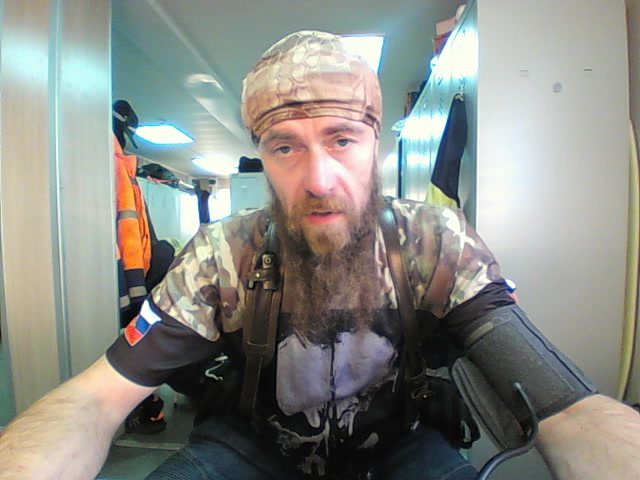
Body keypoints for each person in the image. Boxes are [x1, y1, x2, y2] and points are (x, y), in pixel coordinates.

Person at [1, 30, 640, 480]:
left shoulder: (436, 241)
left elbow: (569, 409)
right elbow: (94, 399)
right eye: (285, 147)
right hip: (253, 447)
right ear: (263, 157)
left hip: (399, 447)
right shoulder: (222, 254)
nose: (318, 180)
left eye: (342, 139)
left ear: (375, 145)